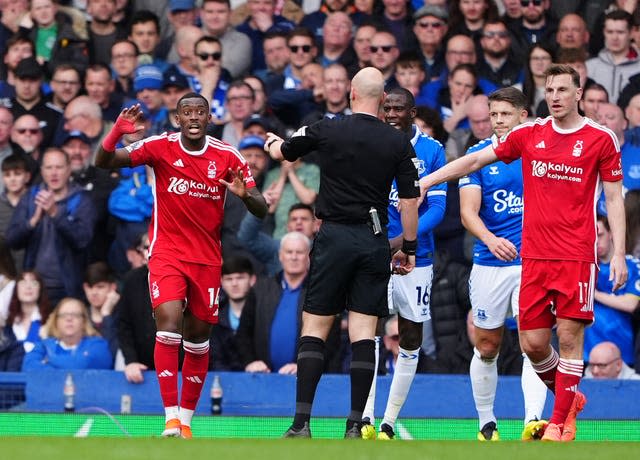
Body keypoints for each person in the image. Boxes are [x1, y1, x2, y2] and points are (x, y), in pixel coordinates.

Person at [418, 64, 627, 442]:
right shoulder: (532, 133)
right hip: (533, 257)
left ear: (579, 93)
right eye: (550, 90)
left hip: (576, 256)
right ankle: (570, 398)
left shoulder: (601, 139)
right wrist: (428, 180)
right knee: (533, 344)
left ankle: (560, 423)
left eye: (563, 89)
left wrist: (618, 252)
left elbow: (613, 198)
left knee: (568, 338)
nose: (556, 97)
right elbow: (476, 160)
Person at [94, 93, 267, 439]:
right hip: (167, 252)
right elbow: (105, 161)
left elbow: (261, 208)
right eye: (186, 112)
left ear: (208, 118)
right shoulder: (159, 147)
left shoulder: (227, 155)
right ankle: (170, 418)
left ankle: (185, 422)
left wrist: (245, 195)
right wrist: (116, 132)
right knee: (169, 320)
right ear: (177, 118)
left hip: (206, 258)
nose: (192, 117)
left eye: (199, 112)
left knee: (199, 339)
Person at [265, 67, 420, 438]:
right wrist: (409, 248)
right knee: (364, 333)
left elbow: (284, 151)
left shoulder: (328, 127)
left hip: (333, 236)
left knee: (316, 327)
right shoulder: (398, 142)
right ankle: (355, 426)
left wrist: (272, 144)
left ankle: (301, 423)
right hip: (372, 239)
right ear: (383, 100)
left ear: (351, 93)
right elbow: (410, 203)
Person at [458, 87, 548, 441]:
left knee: (534, 342)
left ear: (523, 116)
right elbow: (467, 211)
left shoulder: (540, 154)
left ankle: (533, 421)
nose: (497, 121)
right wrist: (491, 240)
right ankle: (486, 424)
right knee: (487, 345)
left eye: (504, 114)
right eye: (493, 115)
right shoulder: (477, 155)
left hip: (532, 262)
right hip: (489, 262)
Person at [360, 87, 447, 441]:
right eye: (387, 108)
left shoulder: (432, 150)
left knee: (411, 336)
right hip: (374, 253)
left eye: (399, 108)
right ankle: (365, 417)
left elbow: (438, 210)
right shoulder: (370, 145)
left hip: (417, 257)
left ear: (413, 113)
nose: (392, 114)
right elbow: (364, 200)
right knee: (368, 331)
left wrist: (401, 242)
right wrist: (381, 241)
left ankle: (389, 421)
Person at [6, 148, 96, 305]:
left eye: (59, 167)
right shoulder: (30, 197)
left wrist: (55, 214)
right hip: (34, 287)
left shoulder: (82, 200)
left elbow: (82, 241)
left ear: (68, 170)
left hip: (68, 288)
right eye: (48, 168)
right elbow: (12, 240)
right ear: (42, 171)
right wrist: (32, 222)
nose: (54, 173)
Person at [583, 215, 640, 366]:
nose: (596, 242)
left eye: (600, 235)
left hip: (622, 353)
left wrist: (593, 294)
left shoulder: (632, 265)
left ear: (611, 233)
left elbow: (630, 304)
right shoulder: (583, 267)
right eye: (592, 237)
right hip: (587, 355)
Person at [22, 297, 112, 370]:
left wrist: (48, 360)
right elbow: (28, 366)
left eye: (75, 315)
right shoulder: (44, 345)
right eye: (63, 315)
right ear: (56, 321)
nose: (69, 319)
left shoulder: (98, 344)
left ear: (84, 321)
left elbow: (81, 365)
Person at [209, 255, 256, 371]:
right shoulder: (215, 317)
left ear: (252, 280)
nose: (234, 284)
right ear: (221, 282)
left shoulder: (264, 315)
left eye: (240, 278)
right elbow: (216, 359)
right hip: (225, 383)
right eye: (228, 279)